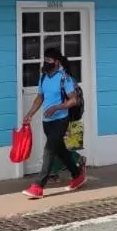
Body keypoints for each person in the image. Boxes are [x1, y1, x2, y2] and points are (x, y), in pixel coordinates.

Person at [21, 47, 86, 198]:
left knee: (49, 150)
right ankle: (78, 175)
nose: (46, 62)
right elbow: (40, 98)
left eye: (49, 60)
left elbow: (74, 100)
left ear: (57, 62)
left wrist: (58, 107)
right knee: (60, 151)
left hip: (60, 120)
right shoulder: (43, 77)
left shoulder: (64, 78)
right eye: (45, 59)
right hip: (47, 122)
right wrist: (30, 114)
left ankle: (38, 186)